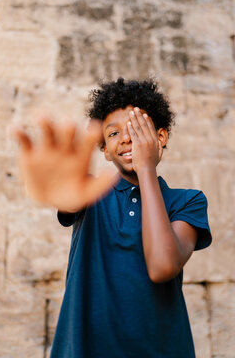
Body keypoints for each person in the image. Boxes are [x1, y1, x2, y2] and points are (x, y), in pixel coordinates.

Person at [15, 77, 212, 358]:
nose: (126, 138)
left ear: (160, 137)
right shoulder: (90, 192)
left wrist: (146, 170)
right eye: (113, 134)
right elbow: (69, 197)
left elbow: (162, 267)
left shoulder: (187, 201)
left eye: (136, 128)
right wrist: (57, 190)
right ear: (105, 151)